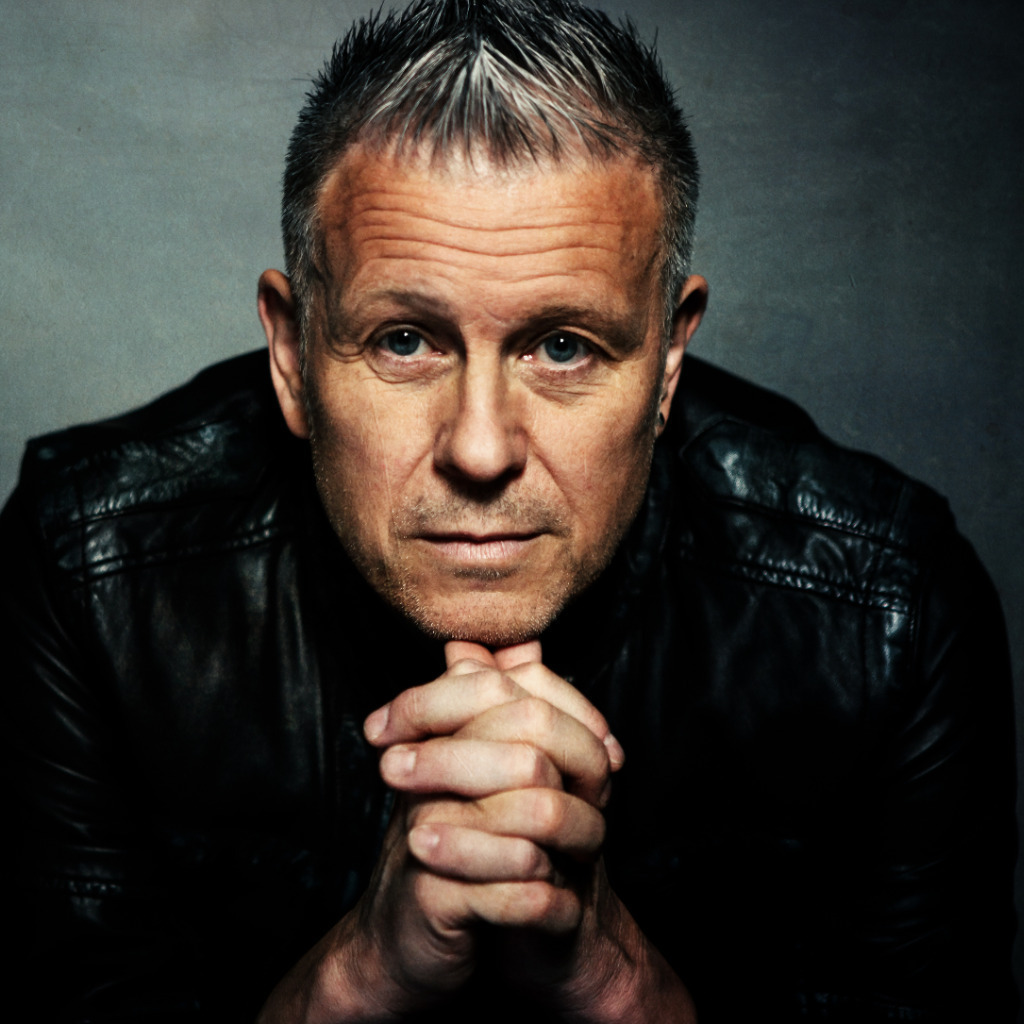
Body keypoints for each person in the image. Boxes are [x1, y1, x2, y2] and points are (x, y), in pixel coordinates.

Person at [1, 0, 1015, 1021]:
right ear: (293, 354)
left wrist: (617, 978)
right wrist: (355, 978)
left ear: (668, 361)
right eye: (404, 341)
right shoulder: (85, 568)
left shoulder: (891, 614)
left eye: (563, 346)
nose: (480, 450)